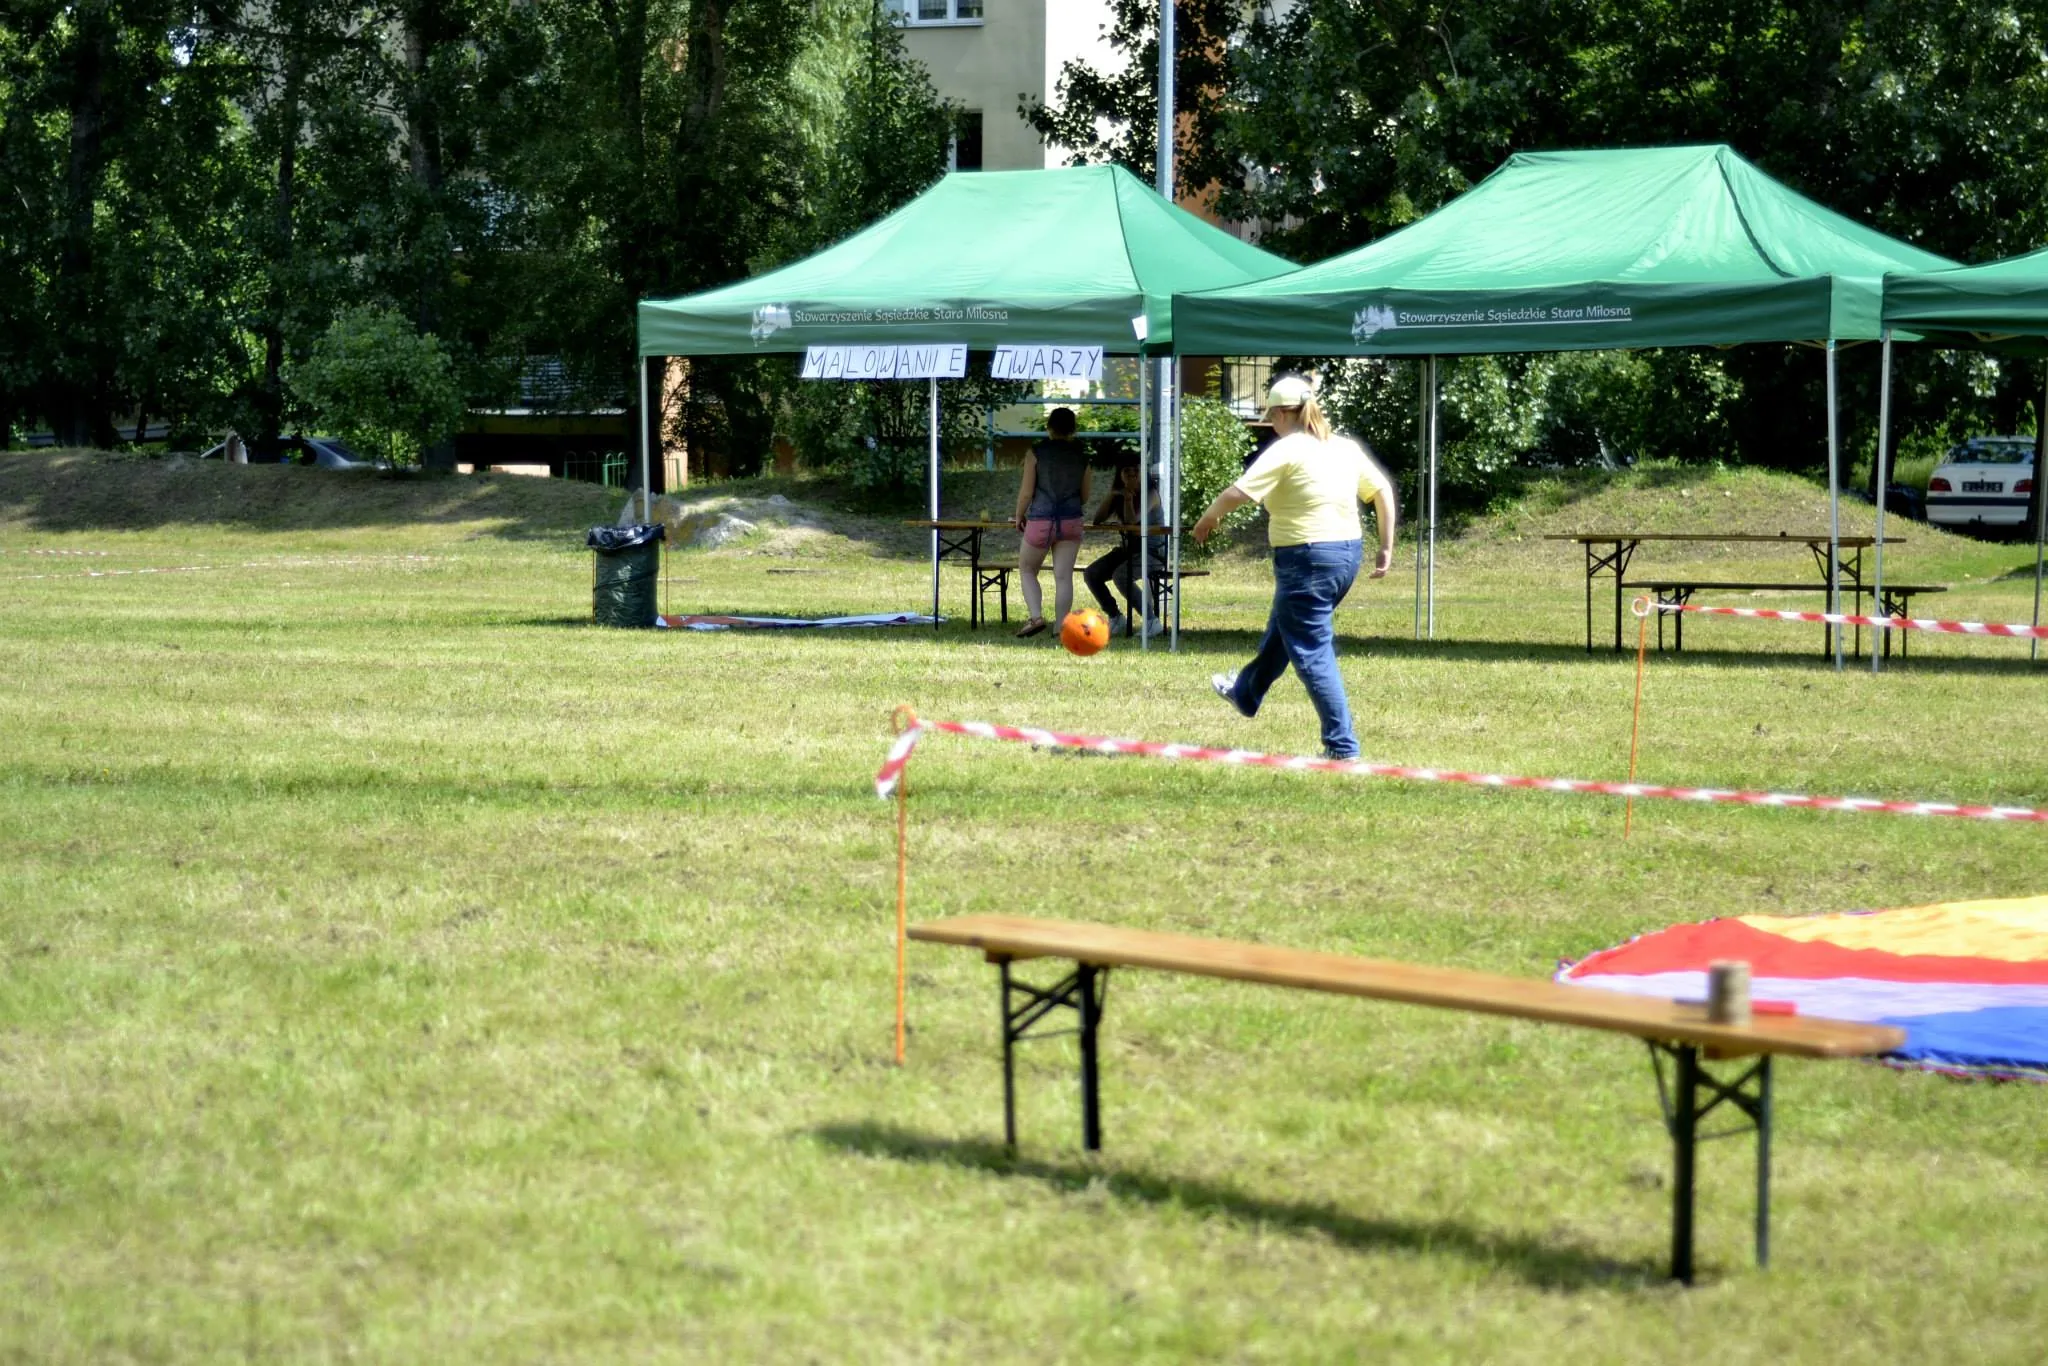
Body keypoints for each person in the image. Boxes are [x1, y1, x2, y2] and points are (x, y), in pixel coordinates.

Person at [1190, 374, 1396, 759]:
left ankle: (1342, 746)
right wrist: (1385, 546)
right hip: (1345, 554)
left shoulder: (1288, 449)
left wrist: (1207, 520)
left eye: (1271, 416)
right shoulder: (1343, 447)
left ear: (1284, 413)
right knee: (1287, 628)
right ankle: (1245, 693)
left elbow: (1239, 492)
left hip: (1307, 557)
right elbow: (1381, 491)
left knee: (1311, 648)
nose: (1271, 423)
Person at [1011, 407, 1091, 637]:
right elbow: (1084, 496)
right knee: (1064, 576)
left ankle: (1036, 617)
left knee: (1027, 569)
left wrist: (1019, 515)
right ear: (1074, 429)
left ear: (1049, 426)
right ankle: (1061, 627)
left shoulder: (1035, 453)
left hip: (1041, 520)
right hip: (1071, 519)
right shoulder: (1083, 455)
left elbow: (1027, 493)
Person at [1083, 456, 1166, 638]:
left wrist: (1128, 501)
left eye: (1136, 471)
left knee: (1121, 575)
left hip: (1152, 552)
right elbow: (1098, 520)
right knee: (1091, 574)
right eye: (1126, 472)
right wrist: (1112, 495)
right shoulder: (1120, 494)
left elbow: (1131, 522)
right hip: (1128, 550)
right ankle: (1115, 616)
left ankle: (1152, 621)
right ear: (1120, 475)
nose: (1132, 476)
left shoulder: (1151, 494)